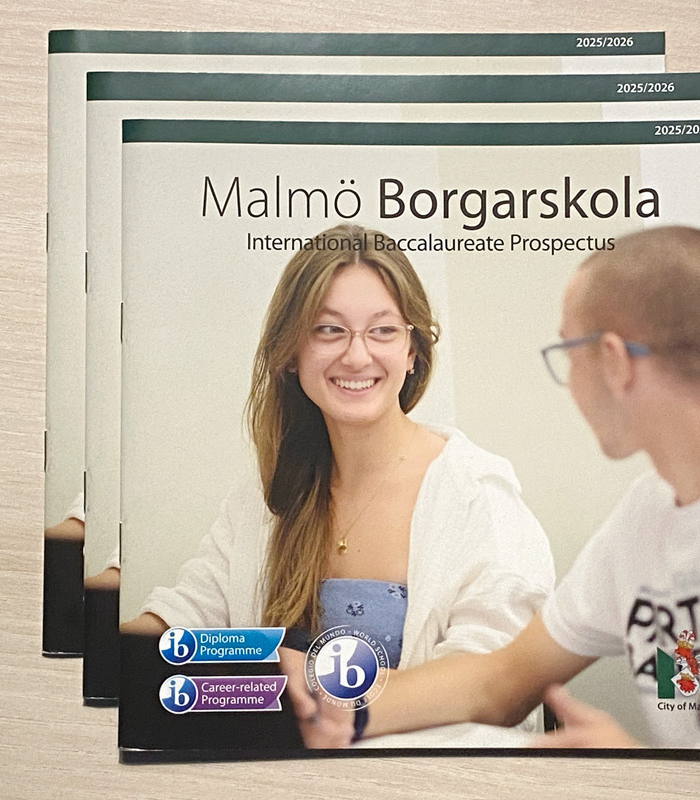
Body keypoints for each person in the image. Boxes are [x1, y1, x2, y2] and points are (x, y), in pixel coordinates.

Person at [290, 224, 700, 749]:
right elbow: (501, 681)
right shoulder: (645, 519)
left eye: (570, 353)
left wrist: (630, 764)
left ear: (614, 362)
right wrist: (333, 709)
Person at [121, 224, 555, 743]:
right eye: (329, 329)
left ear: (413, 351)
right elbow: (186, 619)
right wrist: (100, 653)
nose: (356, 356)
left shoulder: (478, 496)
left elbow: (489, 687)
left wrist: (315, 685)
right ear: (290, 352)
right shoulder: (266, 495)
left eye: (383, 330)